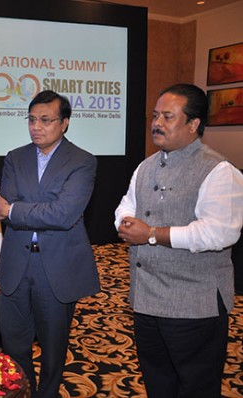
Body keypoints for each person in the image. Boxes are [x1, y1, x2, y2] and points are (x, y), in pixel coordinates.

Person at [115, 83, 243, 398]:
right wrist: (124, 222)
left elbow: (219, 233)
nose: (156, 123)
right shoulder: (146, 165)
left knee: (196, 387)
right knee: (158, 382)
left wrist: (152, 235)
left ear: (193, 124)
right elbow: (125, 205)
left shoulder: (219, 170)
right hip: (146, 299)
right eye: (155, 115)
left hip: (194, 305)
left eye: (167, 116)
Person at [0, 90, 100, 397]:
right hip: (16, 261)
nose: (36, 127)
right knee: (14, 342)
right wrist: (32, 210)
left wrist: (16, 210)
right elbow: (16, 207)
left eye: (45, 120)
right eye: (31, 119)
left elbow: (64, 214)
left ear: (64, 123)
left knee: (54, 345)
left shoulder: (82, 161)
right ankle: (25, 391)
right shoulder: (15, 157)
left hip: (57, 266)